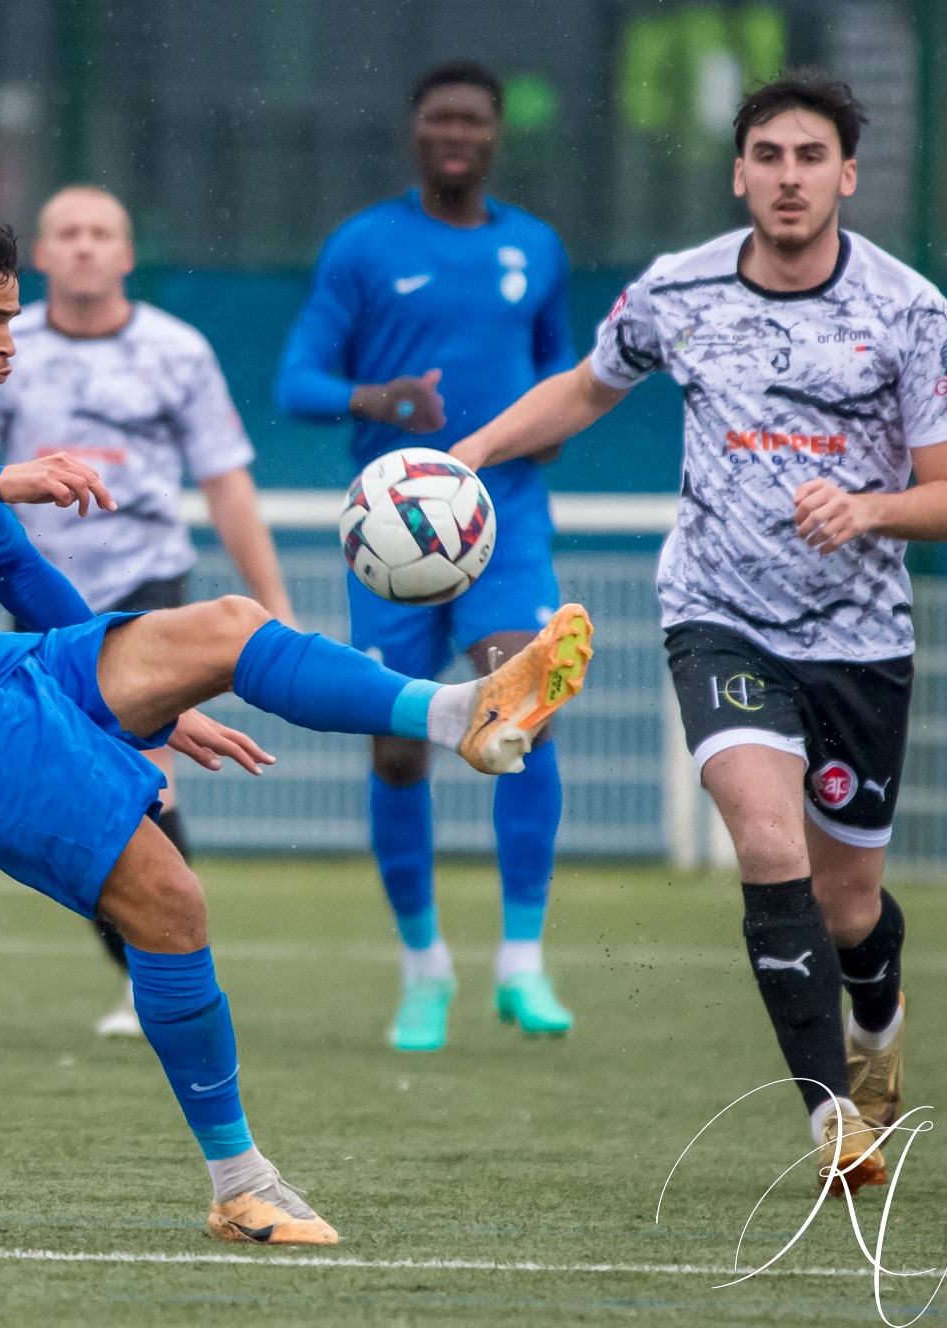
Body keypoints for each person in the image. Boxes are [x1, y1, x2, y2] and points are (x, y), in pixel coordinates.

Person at [0, 208, 595, 1242]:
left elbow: (20, 574)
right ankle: (238, 1179)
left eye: (10, 320)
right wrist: (8, 476)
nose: (8, 344)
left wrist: (152, 698)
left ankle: (456, 712)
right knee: (170, 903)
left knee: (224, 625)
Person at [446, 70, 947, 1194]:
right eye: (767, 157)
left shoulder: (909, 310)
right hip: (717, 617)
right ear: (738, 173)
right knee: (763, 839)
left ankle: (876, 1019)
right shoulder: (673, 292)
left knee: (846, 904)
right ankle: (831, 1114)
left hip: (858, 637)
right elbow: (583, 391)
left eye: (808, 158)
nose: (787, 177)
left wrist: (865, 507)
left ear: (844, 174)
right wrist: (471, 456)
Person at [275, 60, 580, 1053]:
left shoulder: (534, 248)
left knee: (518, 701)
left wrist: (541, 432)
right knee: (396, 741)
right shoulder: (362, 246)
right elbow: (296, 381)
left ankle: (522, 962)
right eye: (439, 118)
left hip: (504, 517)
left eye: (473, 120)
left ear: (495, 135)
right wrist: (376, 398)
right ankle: (423, 969)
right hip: (395, 540)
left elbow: (561, 378)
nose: (456, 133)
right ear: (414, 133)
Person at [0, 185, 295, 1040]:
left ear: (126, 253)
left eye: (100, 232)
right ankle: (150, 968)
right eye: (66, 233)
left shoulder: (176, 350)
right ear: (39, 255)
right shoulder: (1, 350)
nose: (82, 247)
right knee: (84, 791)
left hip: (148, 587)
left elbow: (225, 481)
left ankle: (162, 975)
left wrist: (274, 600)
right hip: (35, 595)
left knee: (149, 776)